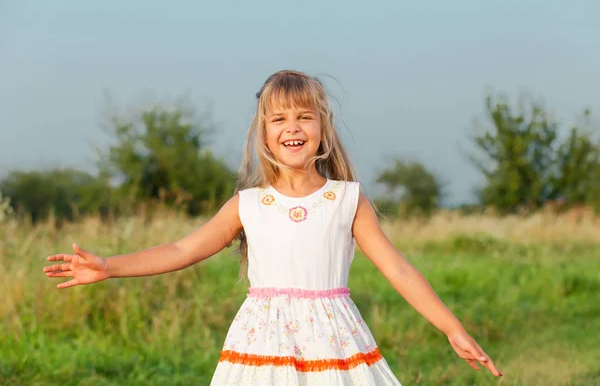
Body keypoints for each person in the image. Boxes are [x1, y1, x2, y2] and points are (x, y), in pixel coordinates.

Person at [44, 70, 502, 385]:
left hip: (334, 342)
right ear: (263, 134)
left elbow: (399, 271)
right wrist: (108, 266)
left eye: (304, 116)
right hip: (262, 342)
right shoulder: (248, 204)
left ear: (323, 127)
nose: (292, 127)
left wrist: (451, 328)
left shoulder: (346, 199)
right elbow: (182, 249)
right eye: (279, 119)